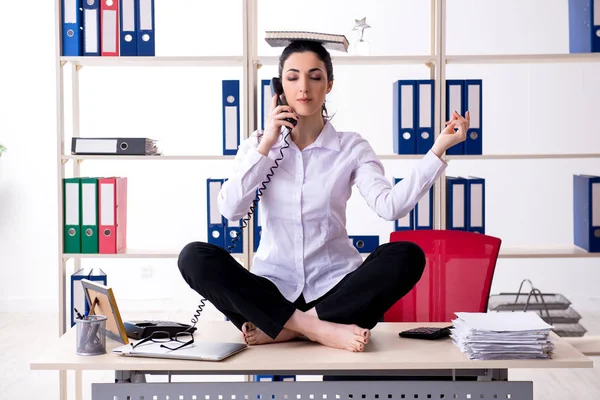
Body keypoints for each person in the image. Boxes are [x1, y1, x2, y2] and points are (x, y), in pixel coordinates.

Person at [178, 40, 469, 353]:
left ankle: (289, 329)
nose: (304, 87)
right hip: (271, 292)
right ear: (279, 88)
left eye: (315, 77)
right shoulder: (258, 146)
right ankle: (314, 329)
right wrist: (267, 146)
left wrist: (437, 149)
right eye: (292, 77)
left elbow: (391, 207)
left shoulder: (351, 147)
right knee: (194, 257)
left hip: (336, 293)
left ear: (329, 85)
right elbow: (231, 210)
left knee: (407, 254)